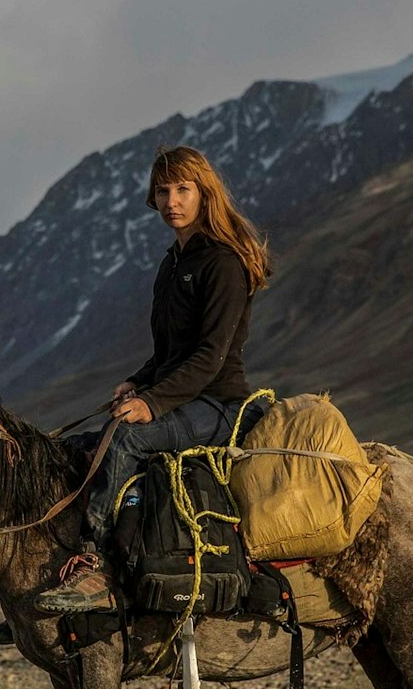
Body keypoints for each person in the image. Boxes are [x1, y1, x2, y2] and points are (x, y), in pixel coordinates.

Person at [33, 144, 271, 616]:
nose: (171, 201)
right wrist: (137, 380)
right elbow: (169, 352)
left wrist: (152, 404)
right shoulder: (173, 263)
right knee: (78, 446)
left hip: (219, 403)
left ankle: (97, 569)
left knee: (122, 440)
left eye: (183, 189)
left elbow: (210, 357)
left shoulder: (222, 263)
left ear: (205, 193)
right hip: (181, 396)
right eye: (162, 191)